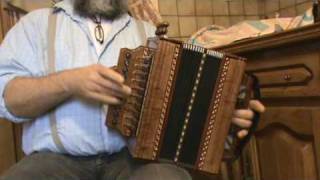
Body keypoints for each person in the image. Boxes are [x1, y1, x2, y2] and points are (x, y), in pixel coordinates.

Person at [0, 0, 265, 179]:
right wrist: (69, 83)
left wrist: (223, 118)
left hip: (132, 160)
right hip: (55, 161)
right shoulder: (35, 25)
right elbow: (8, 99)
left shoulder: (149, 32)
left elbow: (178, 108)